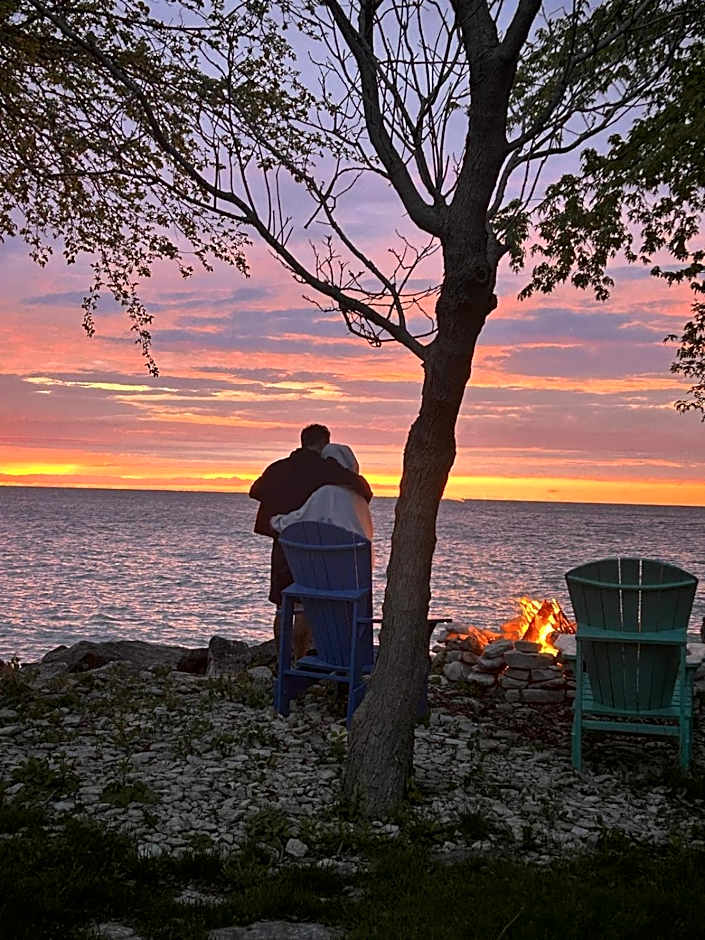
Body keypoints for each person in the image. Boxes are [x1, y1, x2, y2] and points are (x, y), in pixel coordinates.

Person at [249, 424, 373, 657]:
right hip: (317, 548)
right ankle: (301, 657)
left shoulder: (278, 468)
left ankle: (282, 659)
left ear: (302, 441)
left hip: (285, 543)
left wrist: (282, 499)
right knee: (306, 604)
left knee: (283, 605)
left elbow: (255, 491)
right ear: (325, 443)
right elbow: (363, 489)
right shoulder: (327, 471)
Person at [270, 443, 373, 542]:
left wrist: (275, 521)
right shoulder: (361, 499)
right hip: (356, 553)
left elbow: (300, 520)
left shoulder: (327, 493)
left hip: (331, 551)